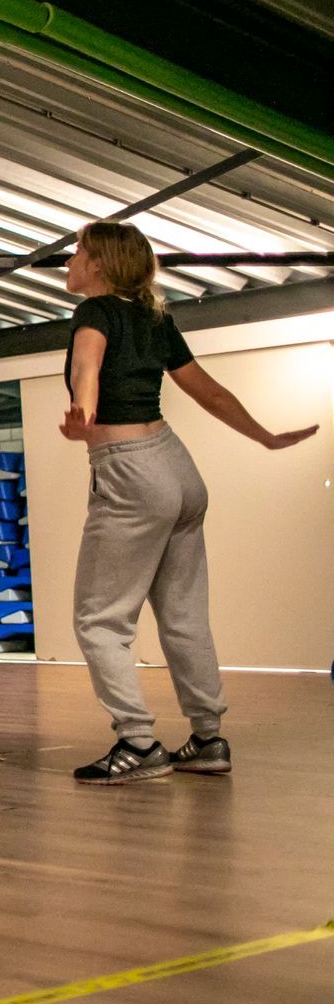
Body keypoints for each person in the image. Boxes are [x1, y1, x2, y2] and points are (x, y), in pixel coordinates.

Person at [59, 220, 317, 784]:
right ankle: (208, 737)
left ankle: (137, 743)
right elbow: (211, 392)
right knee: (183, 615)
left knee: (100, 620)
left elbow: (88, 367)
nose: (70, 262)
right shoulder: (156, 319)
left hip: (129, 473)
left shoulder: (94, 313)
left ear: (99, 263)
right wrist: (266, 437)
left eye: (77, 252)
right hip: (178, 468)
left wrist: (83, 411)